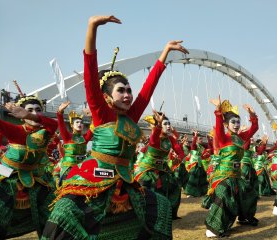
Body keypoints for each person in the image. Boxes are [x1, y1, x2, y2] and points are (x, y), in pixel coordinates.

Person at [42, 15, 188, 239]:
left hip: (125, 179)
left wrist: (165, 52)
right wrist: (92, 26)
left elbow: (148, 88)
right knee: (64, 214)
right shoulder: (101, 113)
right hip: (95, 179)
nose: (128, 95)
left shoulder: (132, 116)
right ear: (106, 96)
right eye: (121, 90)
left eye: (129, 90)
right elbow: (90, 73)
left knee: (161, 207)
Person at [0, 96, 58, 238]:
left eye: (38, 110)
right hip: (8, 172)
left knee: (54, 208)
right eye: (30, 110)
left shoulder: (47, 131)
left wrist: (28, 115)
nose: (35, 114)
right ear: (19, 115)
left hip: (35, 175)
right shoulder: (16, 130)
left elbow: (53, 124)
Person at [204, 98, 258, 238]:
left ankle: (244, 217)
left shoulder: (240, 137)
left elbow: (254, 128)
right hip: (223, 175)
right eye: (233, 122)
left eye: (238, 122)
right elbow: (218, 126)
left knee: (249, 193)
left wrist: (252, 115)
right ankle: (212, 228)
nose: (236, 124)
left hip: (236, 175)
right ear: (226, 124)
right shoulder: (223, 137)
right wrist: (218, 111)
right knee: (224, 196)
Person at [134, 111, 185, 220]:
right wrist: (157, 124)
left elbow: (181, 152)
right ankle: (146, 216)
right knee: (148, 187)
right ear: (159, 125)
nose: (168, 126)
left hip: (162, 168)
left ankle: (170, 214)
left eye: (169, 123)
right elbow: (152, 141)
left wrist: (178, 159)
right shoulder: (155, 136)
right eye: (165, 124)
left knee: (175, 186)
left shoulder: (171, 139)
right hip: (147, 168)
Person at [53, 101, 93, 186]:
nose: (80, 124)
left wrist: (93, 115)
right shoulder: (67, 137)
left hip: (82, 167)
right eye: (77, 122)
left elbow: (93, 127)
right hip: (69, 168)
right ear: (71, 125)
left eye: (81, 122)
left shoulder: (85, 138)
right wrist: (60, 112)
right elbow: (61, 125)